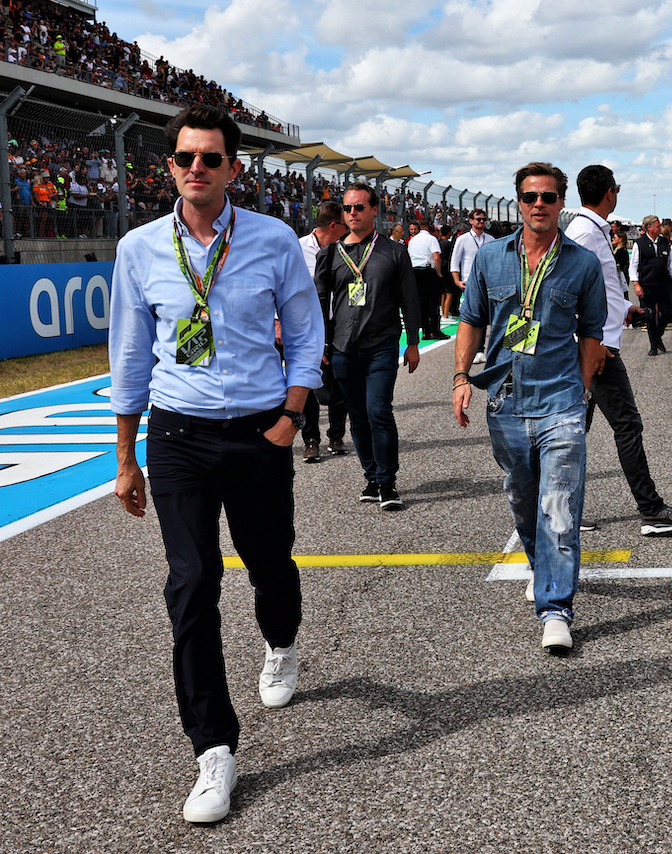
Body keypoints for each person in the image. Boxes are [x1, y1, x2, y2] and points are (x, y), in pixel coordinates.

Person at [109, 105, 324, 824]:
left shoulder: (272, 240)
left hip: (259, 430)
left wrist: (290, 418)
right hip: (177, 436)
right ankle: (213, 749)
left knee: (270, 567)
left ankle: (282, 643)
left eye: (209, 158)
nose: (195, 168)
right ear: (169, 167)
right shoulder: (140, 247)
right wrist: (125, 457)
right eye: (183, 158)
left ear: (234, 168)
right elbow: (132, 355)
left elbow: (303, 332)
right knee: (192, 581)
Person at [452, 162, 607, 651]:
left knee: (559, 505)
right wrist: (461, 377)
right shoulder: (491, 258)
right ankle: (541, 565)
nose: (538, 204)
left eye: (548, 196)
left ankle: (556, 608)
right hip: (506, 400)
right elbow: (471, 321)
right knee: (523, 496)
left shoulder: (583, 263)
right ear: (517, 201)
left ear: (562, 202)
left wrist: (581, 390)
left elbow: (593, 333)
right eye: (529, 196)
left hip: (561, 399)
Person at [564, 164, 672, 537]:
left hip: (596, 342)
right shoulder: (584, 231)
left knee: (576, 428)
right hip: (596, 348)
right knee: (625, 425)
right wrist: (592, 343)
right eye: (617, 188)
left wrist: (626, 308)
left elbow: (601, 287)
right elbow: (571, 289)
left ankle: (558, 508)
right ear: (610, 192)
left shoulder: (590, 229)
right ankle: (652, 510)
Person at [314, 182, 421, 509]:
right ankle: (371, 477)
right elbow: (319, 301)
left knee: (379, 410)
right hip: (343, 347)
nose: (353, 213)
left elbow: (409, 300)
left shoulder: (394, 252)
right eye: (348, 208)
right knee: (357, 417)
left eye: (359, 207)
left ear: (375, 210)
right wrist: (319, 344)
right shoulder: (330, 254)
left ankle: (388, 482)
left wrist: (413, 342)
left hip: (382, 344)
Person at [298, 200, 350, 460]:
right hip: (305, 325)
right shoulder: (297, 249)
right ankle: (310, 439)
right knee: (306, 381)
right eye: (345, 223)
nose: (350, 226)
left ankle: (337, 435)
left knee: (339, 378)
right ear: (333, 225)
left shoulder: (348, 249)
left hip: (338, 323)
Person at [629, 214, 672, 356]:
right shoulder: (639, 243)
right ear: (649, 227)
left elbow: (671, 263)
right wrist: (636, 284)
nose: (660, 228)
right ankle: (654, 345)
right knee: (650, 316)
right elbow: (633, 266)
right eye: (657, 226)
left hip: (664, 284)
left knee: (668, 312)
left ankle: (657, 335)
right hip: (647, 285)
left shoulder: (665, 242)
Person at [449, 208, 493, 319]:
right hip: (469, 281)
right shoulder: (462, 239)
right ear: (471, 221)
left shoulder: (491, 239)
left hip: (488, 281)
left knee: (486, 314)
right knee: (472, 314)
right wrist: (456, 281)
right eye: (478, 219)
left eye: (484, 219)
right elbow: (454, 261)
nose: (481, 222)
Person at [408, 222, 447, 339]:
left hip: (415, 271)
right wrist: (439, 272)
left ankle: (425, 331)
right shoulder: (431, 239)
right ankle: (434, 330)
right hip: (428, 271)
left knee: (422, 303)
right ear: (430, 228)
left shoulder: (413, 240)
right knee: (434, 302)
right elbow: (436, 257)